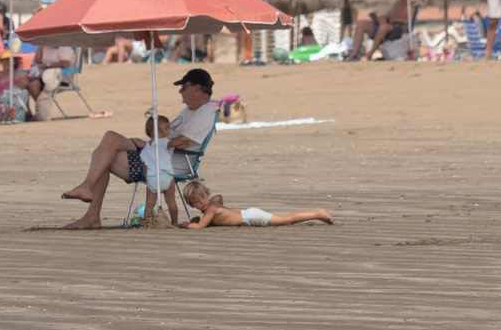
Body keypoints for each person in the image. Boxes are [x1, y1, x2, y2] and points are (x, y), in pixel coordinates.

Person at [61, 67, 219, 229]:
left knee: (104, 157)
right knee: (109, 140)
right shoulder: (188, 111)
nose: (180, 91)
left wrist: (152, 144)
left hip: (165, 163)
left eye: (184, 87)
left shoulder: (205, 113)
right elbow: (168, 137)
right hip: (157, 153)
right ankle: (88, 199)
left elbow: (184, 141)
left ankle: (90, 208)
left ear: (197, 88)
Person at [181, 180, 333, 228]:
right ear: (191, 204)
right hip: (249, 214)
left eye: (203, 198)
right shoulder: (212, 206)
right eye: (196, 201)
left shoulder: (210, 209)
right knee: (285, 219)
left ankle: (317, 214)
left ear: (206, 194)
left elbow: (200, 227)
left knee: (287, 220)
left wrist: (186, 224)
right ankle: (316, 214)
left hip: (251, 217)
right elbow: (218, 197)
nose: (201, 203)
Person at [135, 113, 183, 226]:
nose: (168, 131)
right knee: (171, 200)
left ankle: (146, 221)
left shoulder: (146, 148)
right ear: (156, 132)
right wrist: (185, 140)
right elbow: (175, 143)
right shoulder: (165, 141)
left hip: (152, 177)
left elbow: (145, 166)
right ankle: (174, 222)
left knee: (149, 203)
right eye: (165, 129)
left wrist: (147, 178)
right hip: (166, 175)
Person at [347, 0, 412, 61]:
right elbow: (387, 15)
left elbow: (405, 20)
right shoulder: (396, 4)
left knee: (383, 27)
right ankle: (354, 54)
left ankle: (369, 55)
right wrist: (380, 18)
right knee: (362, 23)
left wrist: (390, 20)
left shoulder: (409, 6)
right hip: (388, 25)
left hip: (399, 28)